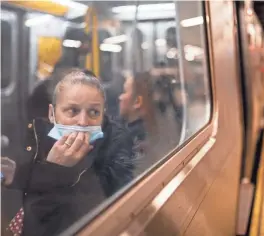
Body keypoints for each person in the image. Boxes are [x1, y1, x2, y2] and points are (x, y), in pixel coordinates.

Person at [1, 68, 134, 236]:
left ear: (103, 114)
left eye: (93, 112)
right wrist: (20, 174)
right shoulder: (43, 138)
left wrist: (54, 170)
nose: (83, 122)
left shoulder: (112, 153)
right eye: (72, 111)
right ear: (52, 114)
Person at [118, 72, 157, 173]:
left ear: (137, 102)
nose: (120, 97)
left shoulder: (135, 138)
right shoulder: (143, 128)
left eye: (124, 91)